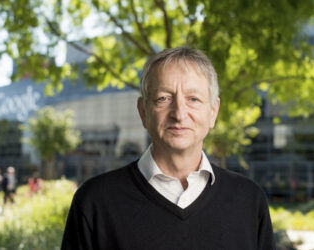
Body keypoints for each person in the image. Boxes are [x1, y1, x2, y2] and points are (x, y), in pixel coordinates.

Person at [61, 47, 275, 249]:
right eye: (163, 99)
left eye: (193, 99)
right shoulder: (95, 202)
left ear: (213, 112)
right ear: (143, 111)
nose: (179, 113)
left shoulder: (249, 201)